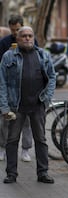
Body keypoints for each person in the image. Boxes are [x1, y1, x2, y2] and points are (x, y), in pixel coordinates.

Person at [0, 26, 56, 184]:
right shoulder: (8, 56)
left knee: (41, 140)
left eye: (30, 35)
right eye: (23, 36)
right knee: (12, 140)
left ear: (33, 37)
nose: (27, 38)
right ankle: (11, 173)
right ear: (17, 39)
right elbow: (2, 82)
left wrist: (46, 98)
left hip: (37, 105)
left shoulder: (43, 55)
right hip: (16, 106)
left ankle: (43, 172)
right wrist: (4, 107)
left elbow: (52, 77)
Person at [0, 15, 35, 162]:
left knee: (26, 121)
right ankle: (3, 148)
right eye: (13, 30)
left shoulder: (31, 41)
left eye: (18, 29)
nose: (16, 33)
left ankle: (25, 150)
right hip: (9, 88)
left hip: (27, 90)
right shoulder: (4, 43)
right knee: (5, 121)